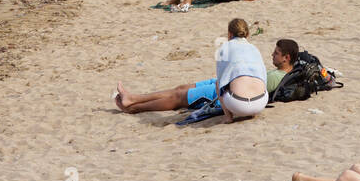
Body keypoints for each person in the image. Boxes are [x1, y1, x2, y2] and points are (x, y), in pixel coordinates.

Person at [114, 34, 297, 115]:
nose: (272, 55)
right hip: (233, 81)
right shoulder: (281, 73)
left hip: (228, 92)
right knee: (181, 88)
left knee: (179, 97)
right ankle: (133, 98)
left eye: (276, 53)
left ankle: (135, 107)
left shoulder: (275, 77)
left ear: (286, 58)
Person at [215, 17, 269, 122]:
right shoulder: (254, 48)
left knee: (217, 83)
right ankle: (252, 113)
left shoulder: (224, 48)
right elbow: (263, 76)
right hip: (261, 102)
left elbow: (221, 81)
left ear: (229, 34)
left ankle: (228, 117)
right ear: (247, 34)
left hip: (238, 104)